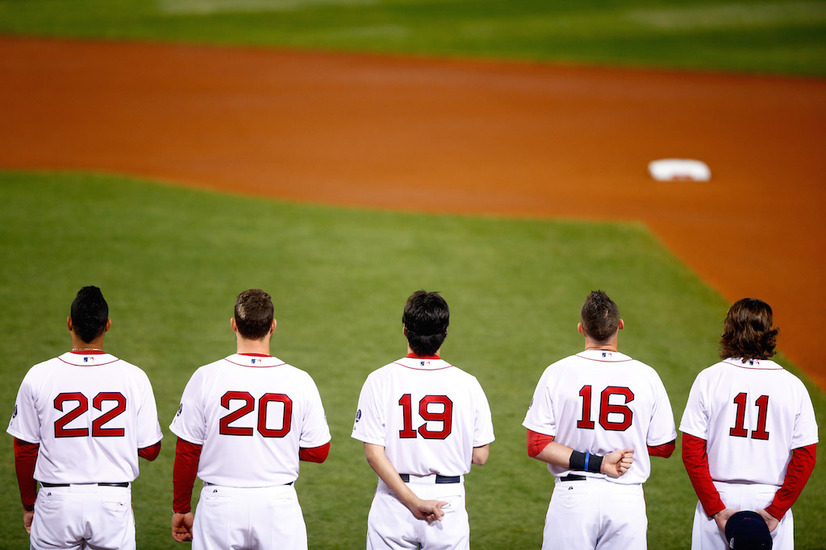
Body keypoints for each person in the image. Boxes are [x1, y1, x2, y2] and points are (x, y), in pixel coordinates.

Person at [169, 288, 331, 549]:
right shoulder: (300, 380)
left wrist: (181, 507)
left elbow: (187, 451)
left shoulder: (206, 376)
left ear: (234, 325)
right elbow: (319, 451)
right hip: (278, 504)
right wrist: (273, 445)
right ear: (273, 327)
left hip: (219, 504)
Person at [6, 286, 163, 550]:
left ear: (69, 323)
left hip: (55, 502)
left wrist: (28, 504)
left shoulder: (39, 374)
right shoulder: (134, 376)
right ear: (108, 325)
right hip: (112, 502)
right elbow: (150, 450)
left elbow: (24, 450)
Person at [523, 290, 676, 549]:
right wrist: (626, 443)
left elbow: (536, 444)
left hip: (574, 498)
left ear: (581, 329)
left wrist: (594, 458)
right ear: (620, 325)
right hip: (626, 499)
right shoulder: (647, 376)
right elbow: (664, 447)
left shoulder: (557, 372)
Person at [351, 290, 495, 549]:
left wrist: (411, 500)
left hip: (393, 501)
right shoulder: (468, 384)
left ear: (405, 330)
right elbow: (480, 456)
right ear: (445, 333)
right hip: (447, 504)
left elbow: (374, 453)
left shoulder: (379, 379)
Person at [679, 298, 818, 549]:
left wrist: (715, 508)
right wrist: (777, 510)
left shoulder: (709, 379)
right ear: (768, 333)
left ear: (729, 330)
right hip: (770, 502)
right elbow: (805, 457)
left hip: (719, 499)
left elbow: (691, 450)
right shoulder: (793, 386)